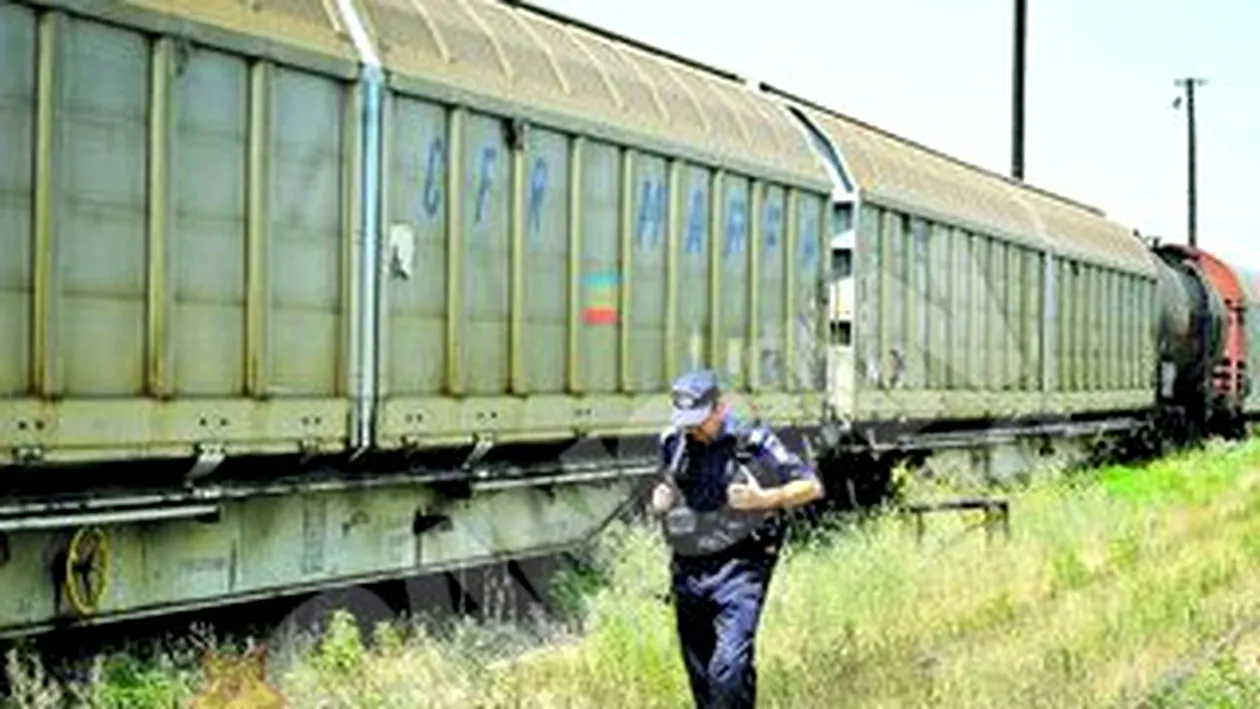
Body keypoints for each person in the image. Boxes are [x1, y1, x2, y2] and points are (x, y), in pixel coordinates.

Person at [648, 369, 825, 708]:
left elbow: (811, 486)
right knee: (701, 677)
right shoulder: (672, 440)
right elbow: (665, 486)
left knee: (727, 669)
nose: (693, 428)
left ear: (720, 408)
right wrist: (659, 501)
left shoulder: (752, 439)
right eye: (685, 420)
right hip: (688, 568)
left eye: (699, 419)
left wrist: (765, 499)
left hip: (741, 567)